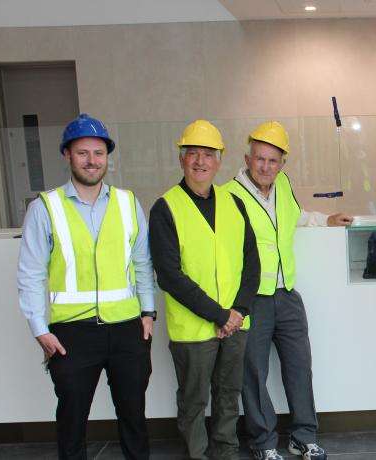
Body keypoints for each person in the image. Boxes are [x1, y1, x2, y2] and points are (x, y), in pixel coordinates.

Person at [17, 113, 155, 460]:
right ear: (67, 155)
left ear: (107, 157)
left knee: (134, 416)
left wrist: (148, 312)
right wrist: (38, 328)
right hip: (71, 333)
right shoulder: (44, 208)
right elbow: (30, 272)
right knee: (72, 419)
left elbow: (142, 262)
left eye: (98, 153)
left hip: (126, 328)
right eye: (82, 153)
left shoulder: (127, 202)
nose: (92, 160)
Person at [224, 121, 353, 460]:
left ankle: (303, 437)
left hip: (287, 294)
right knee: (253, 374)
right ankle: (264, 443)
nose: (266, 167)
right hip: (251, 299)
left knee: (299, 367)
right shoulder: (229, 195)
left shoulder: (282, 185)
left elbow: (293, 217)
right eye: (260, 159)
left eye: (273, 160)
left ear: (283, 164)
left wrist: (324, 220)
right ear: (247, 158)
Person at [149, 120, 260, 460]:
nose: (200, 161)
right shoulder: (165, 207)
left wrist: (238, 311)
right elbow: (169, 275)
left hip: (236, 324)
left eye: (208, 154)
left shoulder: (234, 203)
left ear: (219, 160)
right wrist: (219, 315)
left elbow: (251, 263)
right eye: (192, 154)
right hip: (194, 329)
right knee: (194, 400)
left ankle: (226, 451)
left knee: (229, 394)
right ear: (182, 160)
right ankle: (198, 454)